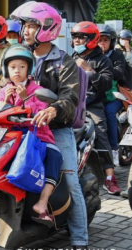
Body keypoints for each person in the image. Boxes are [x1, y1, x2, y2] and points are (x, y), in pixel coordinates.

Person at [10, 1, 88, 248]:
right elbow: (4, 86)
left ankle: (80, 239)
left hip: (56, 130)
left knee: (71, 182)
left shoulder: (64, 63)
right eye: (25, 26)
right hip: (24, 127)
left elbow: (70, 97)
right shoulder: (21, 56)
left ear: (46, 28)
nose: (25, 31)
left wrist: (53, 109)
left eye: (31, 26)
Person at [0, 44, 62, 226]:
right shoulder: (3, 91)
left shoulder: (36, 90)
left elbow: (40, 116)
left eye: (22, 67)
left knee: (55, 155)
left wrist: (25, 98)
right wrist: (3, 101)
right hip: (11, 138)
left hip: (37, 138)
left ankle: (42, 203)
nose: (17, 71)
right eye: (12, 67)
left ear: (29, 69)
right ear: (6, 70)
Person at [71, 21, 120, 195]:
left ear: (92, 39)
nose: (77, 40)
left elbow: (106, 84)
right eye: (75, 37)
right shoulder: (70, 58)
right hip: (71, 104)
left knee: (100, 133)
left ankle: (109, 177)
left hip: (92, 105)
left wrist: (88, 69)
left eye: (81, 37)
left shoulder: (103, 60)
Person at [98, 25, 127, 168]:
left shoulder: (117, 55)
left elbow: (118, 73)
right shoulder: (92, 54)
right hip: (95, 97)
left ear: (112, 41)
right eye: (99, 40)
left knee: (109, 112)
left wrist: (102, 66)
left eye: (105, 40)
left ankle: (114, 150)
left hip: (115, 97)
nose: (102, 43)